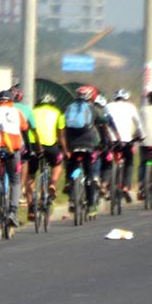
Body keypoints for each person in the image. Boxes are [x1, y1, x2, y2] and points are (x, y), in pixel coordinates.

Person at [60, 85, 107, 213]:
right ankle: (91, 204)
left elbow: (63, 127)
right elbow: (102, 124)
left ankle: (70, 189)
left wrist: (64, 147)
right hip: (88, 143)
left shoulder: (69, 108)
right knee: (88, 173)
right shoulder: (92, 109)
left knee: (71, 165)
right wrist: (103, 141)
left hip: (72, 143)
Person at [0, 89, 32, 227]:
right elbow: (25, 130)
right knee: (15, 180)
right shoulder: (17, 112)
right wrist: (30, 150)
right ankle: (13, 212)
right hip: (13, 148)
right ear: (11, 101)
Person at [25, 92, 66, 218]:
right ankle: (52, 183)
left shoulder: (32, 112)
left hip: (33, 145)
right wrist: (64, 149)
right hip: (50, 145)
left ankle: (31, 208)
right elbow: (60, 135)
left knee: (30, 175)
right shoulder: (57, 112)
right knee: (58, 164)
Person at [104, 88, 143, 202]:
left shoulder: (108, 106)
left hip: (112, 140)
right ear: (126, 98)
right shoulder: (131, 107)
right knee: (129, 162)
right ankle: (126, 187)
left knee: (110, 161)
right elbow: (139, 124)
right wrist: (141, 136)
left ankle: (108, 187)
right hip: (126, 140)